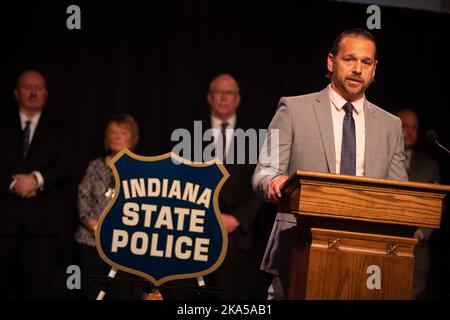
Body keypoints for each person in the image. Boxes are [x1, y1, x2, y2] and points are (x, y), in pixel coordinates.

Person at [252, 28, 408, 299]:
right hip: (298, 251)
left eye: (366, 62)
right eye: (349, 59)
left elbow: (400, 196)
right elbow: (263, 172)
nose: (358, 69)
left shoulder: (391, 126)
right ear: (331, 62)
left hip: (366, 259)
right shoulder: (293, 109)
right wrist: (275, 181)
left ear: (374, 68)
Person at [0, 70, 70, 299]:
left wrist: (36, 180)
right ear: (16, 92)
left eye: (38, 88)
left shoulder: (60, 128)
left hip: (43, 229)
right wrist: (13, 185)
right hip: (4, 224)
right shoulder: (3, 123)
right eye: (27, 87)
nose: (33, 92)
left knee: (38, 291)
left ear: (46, 93)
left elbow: (67, 164)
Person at [74, 113, 142, 300]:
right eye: (113, 133)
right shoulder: (94, 166)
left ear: (132, 138)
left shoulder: (139, 169)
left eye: (123, 132)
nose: (117, 137)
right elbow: (83, 199)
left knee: (118, 294)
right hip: (90, 241)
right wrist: (95, 226)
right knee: (91, 293)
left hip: (123, 245)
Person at [396, 108, 440, 299]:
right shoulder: (380, 156)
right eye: (404, 126)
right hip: (384, 246)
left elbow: (437, 204)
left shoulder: (429, 166)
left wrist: (422, 231)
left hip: (417, 252)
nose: (409, 131)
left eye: (414, 127)